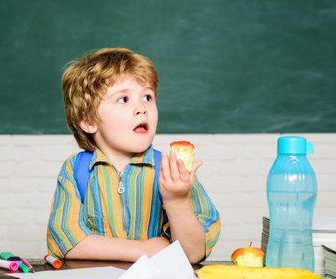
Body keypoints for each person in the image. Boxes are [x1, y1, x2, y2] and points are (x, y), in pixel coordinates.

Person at [47, 48, 220, 264]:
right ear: (88, 121)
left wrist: (177, 199)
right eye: (123, 99)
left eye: (148, 97)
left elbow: (194, 253)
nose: (141, 108)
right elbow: (64, 240)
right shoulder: (76, 169)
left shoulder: (172, 170)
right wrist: (141, 250)